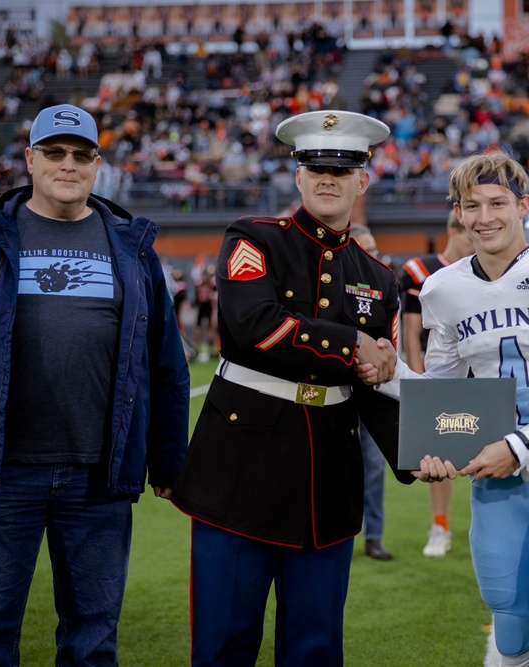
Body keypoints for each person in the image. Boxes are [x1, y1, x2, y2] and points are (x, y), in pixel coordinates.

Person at [0, 103, 190, 666]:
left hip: (100, 477)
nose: (68, 165)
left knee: (93, 643)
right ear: (30, 159)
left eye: (81, 155)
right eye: (55, 153)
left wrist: (168, 463)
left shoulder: (132, 248)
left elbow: (165, 364)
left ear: (97, 165)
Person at [170, 110, 416, 666]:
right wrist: (353, 344)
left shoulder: (380, 278)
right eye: (315, 166)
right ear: (298, 175)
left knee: (315, 650)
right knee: (223, 648)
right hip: (236, 477)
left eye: (342, 168)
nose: (328, 178)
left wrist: (424, 451)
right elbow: (257, 325)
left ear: (363, 180)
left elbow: (377, 385)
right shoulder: (252, 239)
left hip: (326, 483)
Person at [364, 151, 529, 667]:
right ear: (457, 212)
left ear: (523, 204)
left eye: (498, 203)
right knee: (512, 629)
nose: (485, 217)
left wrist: (519, 444)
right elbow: (440, 392)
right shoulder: (444, 288)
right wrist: (388, 372)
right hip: (496, 483)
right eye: (471, 205)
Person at [398, 209, 474, 558]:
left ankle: (487, 525)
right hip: (440, 369)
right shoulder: (422, 269)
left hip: (480, 370)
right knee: (442, 454)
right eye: (469, 233)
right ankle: (440, 525)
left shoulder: (487, 268)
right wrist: (420, 379)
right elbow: (413, 332)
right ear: (454, 230)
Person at [348, 223, 394, 561]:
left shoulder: (382, 285)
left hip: (374, 390)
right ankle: (340, 533)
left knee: (375, 465)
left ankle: (374, 535)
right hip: (334, 391)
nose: (373, 257)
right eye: (366, 250)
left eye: (375, 250)